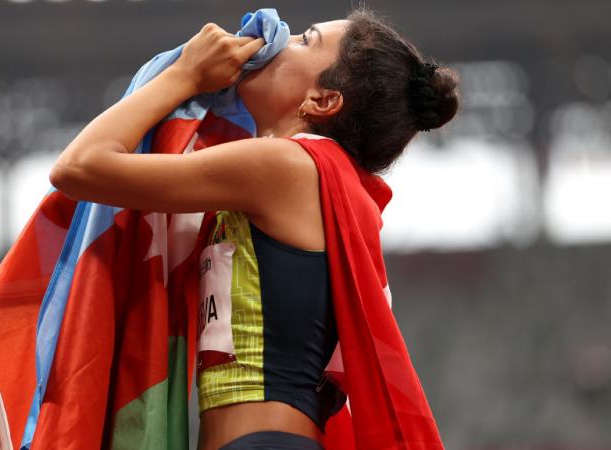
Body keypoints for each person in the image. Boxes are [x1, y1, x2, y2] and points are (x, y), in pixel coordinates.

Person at [48, 7, 459, 450]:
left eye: (306, 40)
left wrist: (183, 74)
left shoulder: (285, 167)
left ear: (322, 101)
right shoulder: (293, 176)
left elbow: (79, 167)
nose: (281, 37)